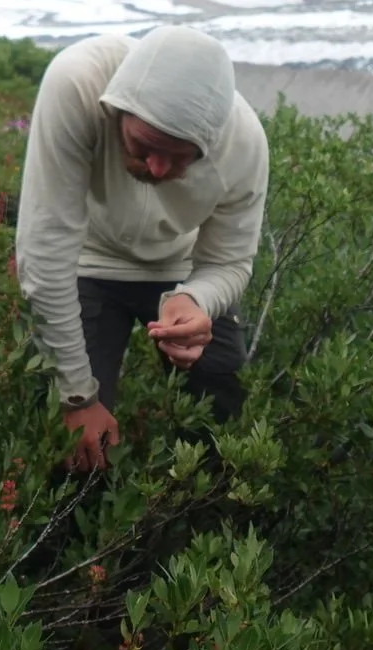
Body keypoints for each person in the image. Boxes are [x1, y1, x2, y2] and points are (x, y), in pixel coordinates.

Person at [15, 26, 268, 471]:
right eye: (147, 146)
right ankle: (75, 532)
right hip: (86, 256)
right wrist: (78, 396)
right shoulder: (77, 83)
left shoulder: (244, 146)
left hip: (182, 267)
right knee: (71, 443)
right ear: (116, 110)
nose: (157, 167)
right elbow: (46, 251)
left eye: (180, 157)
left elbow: (229, 261)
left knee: (219, 413)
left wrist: (197, 299)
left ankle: (197, 517)